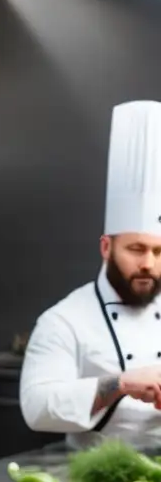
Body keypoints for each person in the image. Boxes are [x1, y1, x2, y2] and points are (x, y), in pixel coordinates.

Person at [21, 100, 161, 452]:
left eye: (158, 252)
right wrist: (122, 383)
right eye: (136, 249)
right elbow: (37, 408)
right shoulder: (65, 320)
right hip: (96, 477)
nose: (148, 263)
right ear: (105, 247)